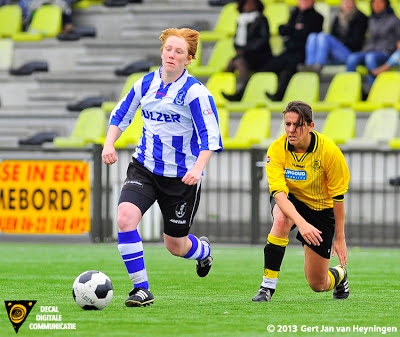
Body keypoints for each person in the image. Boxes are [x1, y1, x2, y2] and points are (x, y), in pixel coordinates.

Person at [102, 28, 223, 307]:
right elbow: (121, 114)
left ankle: (202, 251)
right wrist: (109, 143)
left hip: (181, 178)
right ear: (162, 51)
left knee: (175, 246)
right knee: (125, 219)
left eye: (179, 51)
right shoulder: (144, 84)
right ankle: (141, 289)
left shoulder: (196, 93)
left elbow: (211, 136)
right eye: (168, 49)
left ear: (189, 59)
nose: (171, 55)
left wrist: (198, 168)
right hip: (144, 167)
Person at [252, 100, 350, 303]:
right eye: (288, 124)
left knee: (318, 284)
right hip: (291, 200)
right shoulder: (277, 149)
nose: (291, 130)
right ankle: (267, 287)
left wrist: (340, 237)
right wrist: (302, 223)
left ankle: (340, 275)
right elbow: (279, 194)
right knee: (281, 220)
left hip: (321, 210)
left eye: (298, 125)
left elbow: (338, 198)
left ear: (311, 126)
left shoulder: (330, 152)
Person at [262, 0, 324, 101]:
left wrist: (291, 31)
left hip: (303, 53)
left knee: (289, 70)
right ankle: (242, 93)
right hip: (289, 51)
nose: (302, 2)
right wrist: (294, 30)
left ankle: (278, 96)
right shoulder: (295, 14)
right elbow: (282, 29)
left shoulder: (317, 17)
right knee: (267, 66)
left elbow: (304, 34)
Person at [222, 0, 272, 101]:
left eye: (252, 4)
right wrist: (239, 50)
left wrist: (245, 50)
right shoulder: (241, 20)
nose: (249, 6)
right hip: (246, 54)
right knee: (231, 62)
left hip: (261, 56)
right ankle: (223, 88)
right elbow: (236, 40)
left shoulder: (261, 19)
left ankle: (242, 91)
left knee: (238, 62)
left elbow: (263, 40)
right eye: (247, 4)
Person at [299, 0, 368, 73]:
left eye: (349, 2)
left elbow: (356, 42)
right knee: (312, 35)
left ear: (354, 3)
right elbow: (333, 35)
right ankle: (309, 64)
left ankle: (318, 65)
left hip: (349, 53)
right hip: (336, 53)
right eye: (345, 2)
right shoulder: (338, 17)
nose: (347, 4)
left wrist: (339, 42)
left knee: (324, 36)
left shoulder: (360, 18)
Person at [346, 0, 400, 87]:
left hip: (385, 52)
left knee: (370, 57)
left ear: (385, 4)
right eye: (374, 3)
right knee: (352, 58)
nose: (376, 5)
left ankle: (372, 89)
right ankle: (350, 88)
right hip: (369, 50)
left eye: (379, 3)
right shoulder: (371, 19)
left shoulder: (394, 19)